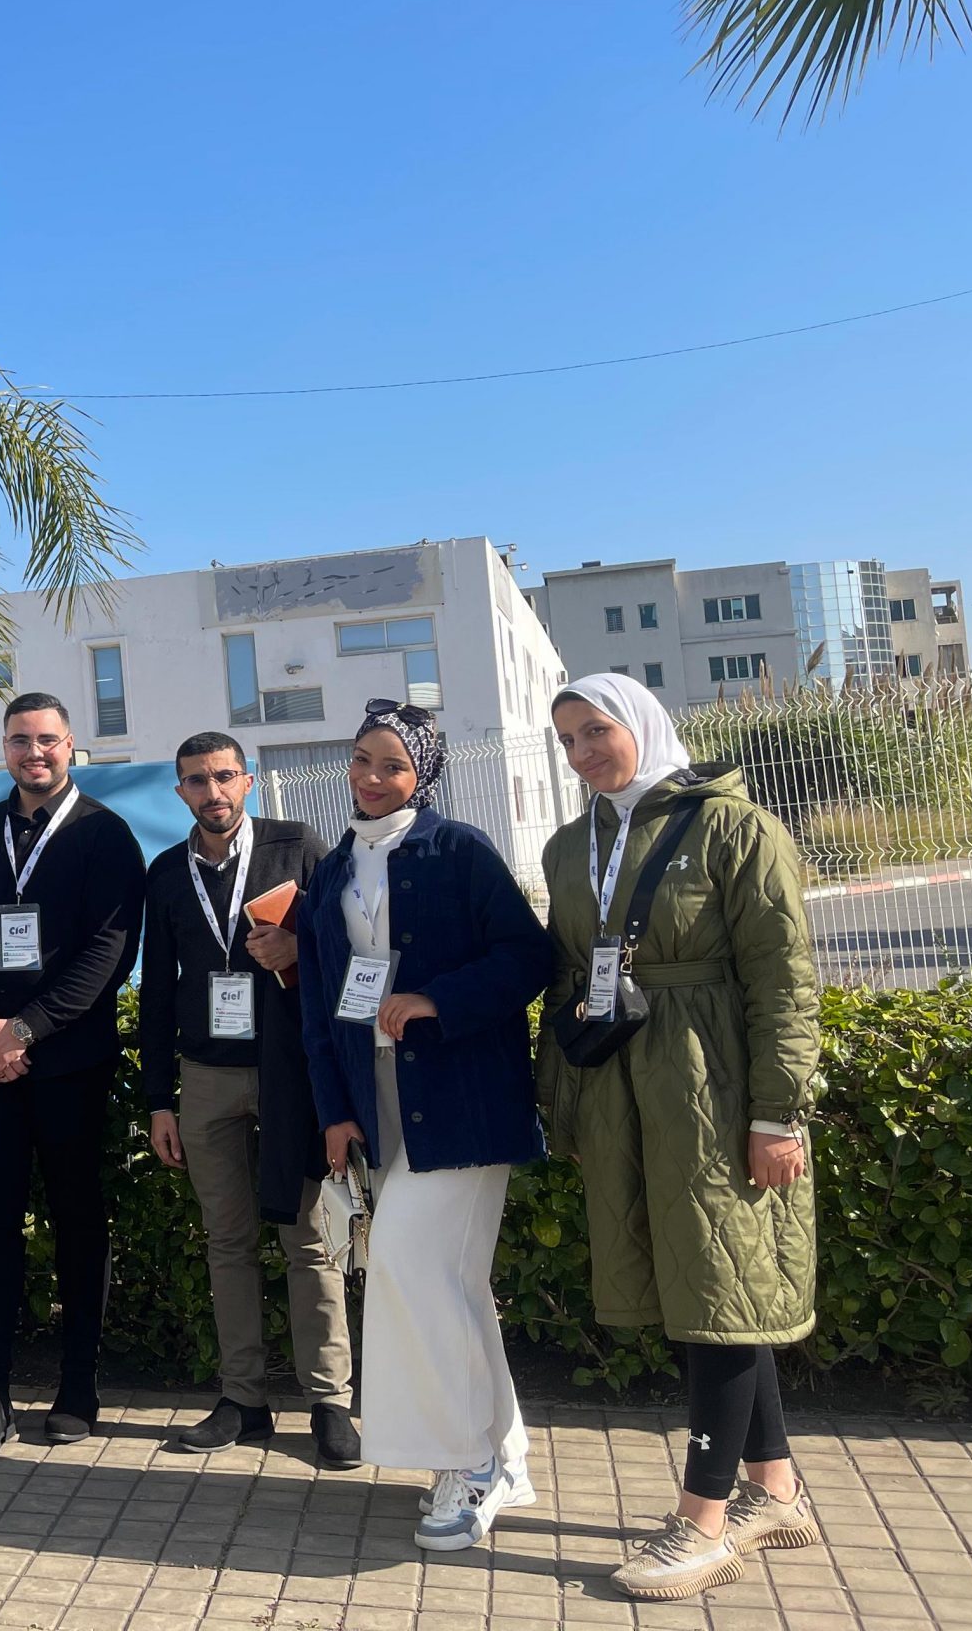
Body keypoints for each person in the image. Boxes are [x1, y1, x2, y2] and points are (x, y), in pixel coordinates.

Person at [538, 673, 822, 1601]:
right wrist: (567, 1101)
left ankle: (702, 1522)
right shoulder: (570, 844)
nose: (582, 753)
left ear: (643, 724)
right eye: (567, 739)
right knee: (709, 1283)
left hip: (713, 1083)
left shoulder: (736, 829)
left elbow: (784, 979)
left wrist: (777, 1113)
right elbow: (566, 977)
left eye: (596, 731)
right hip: (621, 1081)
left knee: (718, 1284)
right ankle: (775, 1490)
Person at [297, 700, 552, 1551]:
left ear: (424, 773)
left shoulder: (460, 850)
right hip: (375, 1101)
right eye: (361, 760)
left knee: (410, 1264)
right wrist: (334, 1112)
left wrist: (438, 999)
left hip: (461, 1100)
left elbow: (528, 956)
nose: (372, 778)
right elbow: (317, 1004)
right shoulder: (336, 868)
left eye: (393, 765)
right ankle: (502, 1453)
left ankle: (465, 1463)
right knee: (450, 1285)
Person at [0, 691, 147, 1459]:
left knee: (78, 1221)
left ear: (70, 744)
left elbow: (108, 952)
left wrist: (25, 1029)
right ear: (4, 749)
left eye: (47, 739)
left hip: (70, 1066)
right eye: (20, 740)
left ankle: (78, 1385)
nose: (34, 753)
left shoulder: (104, 835)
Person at [137, 732, 354, 1468]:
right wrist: (158, 1100)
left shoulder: (297, 847)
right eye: (197, 781)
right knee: (226, 1243)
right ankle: (244, 1400)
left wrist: (300, 948)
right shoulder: (167, 872)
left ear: (249, 780)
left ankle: (330, 1402)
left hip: (290, 1072)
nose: (213, 792)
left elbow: (353, 940)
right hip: (205, 1076)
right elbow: (156, 991)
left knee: (309, 1240)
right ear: (180, 792)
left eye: (224, 776)